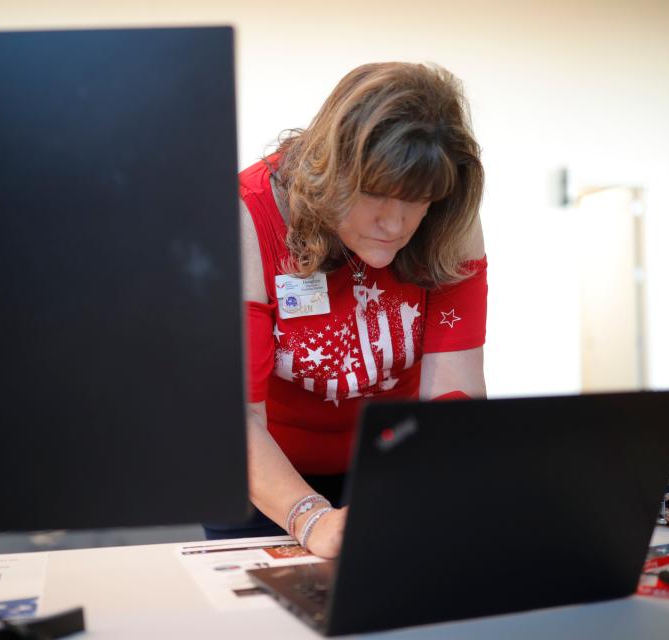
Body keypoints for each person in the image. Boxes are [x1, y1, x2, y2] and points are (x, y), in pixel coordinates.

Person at [206, 62, 487, 558]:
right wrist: (311, 519)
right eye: (374, 193)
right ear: (328, 174)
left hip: (389, 459)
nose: (394, 223)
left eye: (417, 199)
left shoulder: (449, 218)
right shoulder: (244, 215)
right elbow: (232, 417)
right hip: (261, 470)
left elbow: (453, 393)